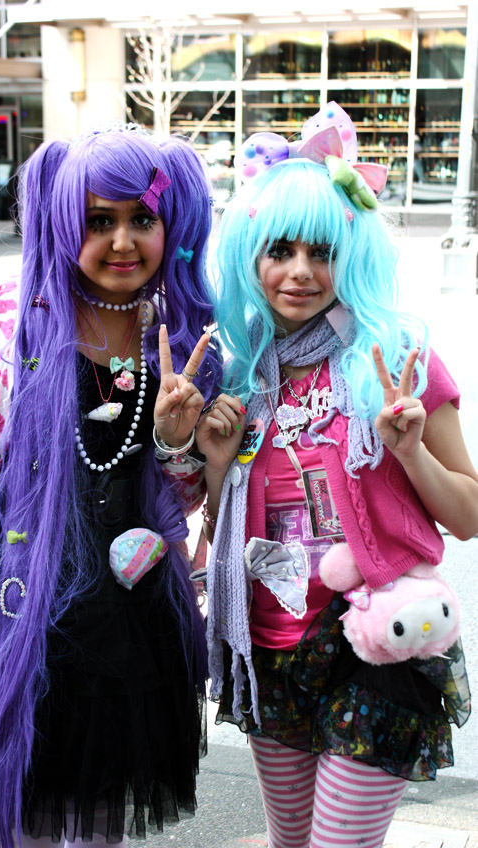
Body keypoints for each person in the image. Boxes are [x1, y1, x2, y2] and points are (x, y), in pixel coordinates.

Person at [0, 125, 222, 848]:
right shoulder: (5, 315)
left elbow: (181, 500)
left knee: (102, 811)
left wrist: (178, 437)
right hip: (12, 595)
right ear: (60, 221)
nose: (122, 241)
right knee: (21, 810)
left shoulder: (185, 338)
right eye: (97, 220)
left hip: (126, 607)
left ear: (170, 225)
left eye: (140, 219)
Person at [196, 103, 478, 848]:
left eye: (319, 251)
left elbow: (469, 513)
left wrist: (409, 449)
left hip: (374, 642)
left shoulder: (397, 360)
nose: (298, 272)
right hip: (266, 643)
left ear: (349, 255)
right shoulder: (241, 372)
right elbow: (216, 523)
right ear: (249, 258)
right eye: (277, 250)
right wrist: (215, 465)